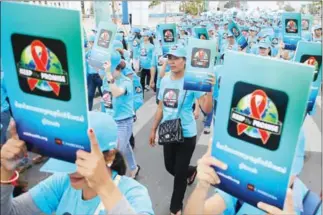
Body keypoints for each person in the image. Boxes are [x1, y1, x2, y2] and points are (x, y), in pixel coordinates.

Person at [1, 112, 154, 215]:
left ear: (109, 156)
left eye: (83, 160)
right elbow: (10, 211)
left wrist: (104, 187)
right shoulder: (62, 182)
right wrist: (5, 171)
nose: (71, 170)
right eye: (65, 158)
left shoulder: (133, 193)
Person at [184, 129, 322, 215]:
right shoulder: (245, 188)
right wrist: (201, 187)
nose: (272, 173)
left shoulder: (313, 208)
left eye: (282, 164)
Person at [149, 44, 216, 215]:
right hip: (168, 130)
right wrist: (153, 129)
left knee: (179, 174)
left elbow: (207, 110)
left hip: (186, 133)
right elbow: (160, 108)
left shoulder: (193, 80)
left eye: (176, 58)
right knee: (169, 166)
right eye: (169, 58)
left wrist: (209, 90)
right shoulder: (164, 80)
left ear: (185, 61)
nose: (171, 62)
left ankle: (175, 207)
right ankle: (192, 171)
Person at [101, 51, 140, 179]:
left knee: (117, 153)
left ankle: (117, 180)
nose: (108, 73)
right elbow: (106, 99)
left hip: (124, 122)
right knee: (126, 146)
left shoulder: (126, 82)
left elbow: (117, 93)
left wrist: (108, 75)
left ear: (118, 69)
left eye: (110, 70)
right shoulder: (107, 80)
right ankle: (134, 168)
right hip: (111, 120)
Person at [85, 34, 103, 111]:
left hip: (100, 76)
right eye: (90, 42)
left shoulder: (101, 53)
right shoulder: (88, 53)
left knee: (104, 95)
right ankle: (89, 112)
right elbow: (85, 65)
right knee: (90, 95)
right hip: (91, 77)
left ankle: (109, 112)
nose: (91, 44)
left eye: (93, 42)